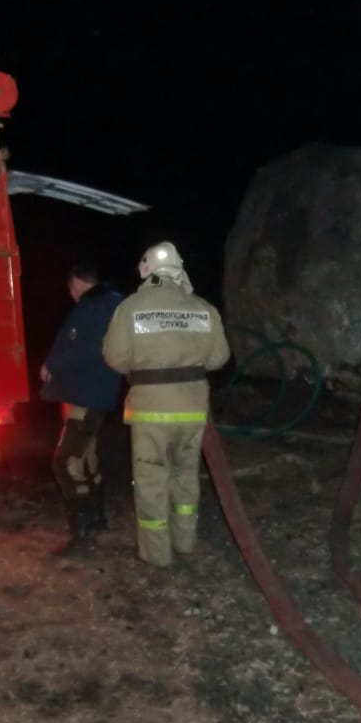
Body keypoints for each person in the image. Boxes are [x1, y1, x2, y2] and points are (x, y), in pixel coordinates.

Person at [102, 241, 231, 567]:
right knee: (186, 475)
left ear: (146, 270)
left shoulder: (131, 308)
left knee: (151, 479)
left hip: (150, 411)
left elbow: (114, 358)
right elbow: (219, 359)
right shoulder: (203, 308)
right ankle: (186, 541)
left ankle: (157, 554)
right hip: (192, 409)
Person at [39, 262, 124, 557]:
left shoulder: (97, 305)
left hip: (87, 395)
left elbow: (91, 348)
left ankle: (82, 533)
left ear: (75, 282)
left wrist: (53, 365)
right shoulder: (109, 302)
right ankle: (97, 519)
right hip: (89, 394)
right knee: (86, 458)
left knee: (66, 462)